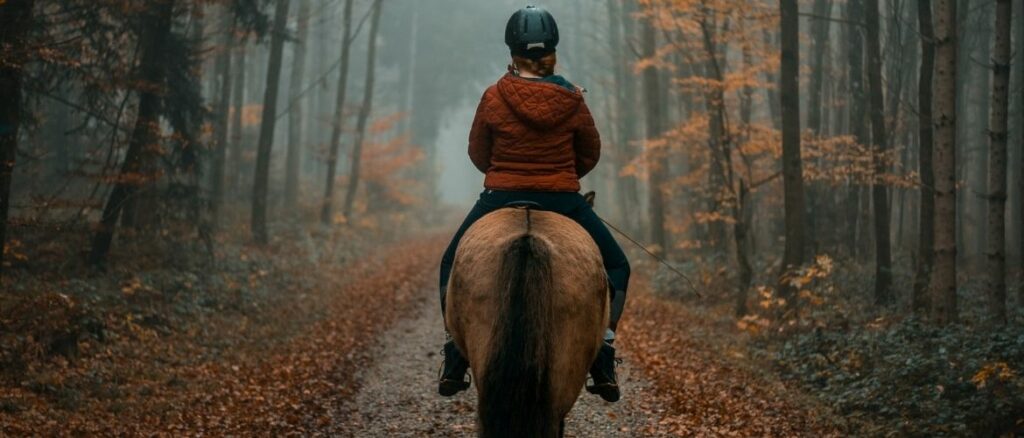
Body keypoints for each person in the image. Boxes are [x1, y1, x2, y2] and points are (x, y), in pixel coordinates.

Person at [437, 5, 630, 403]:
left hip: (500, 197)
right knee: (617, 265)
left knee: (450, 262)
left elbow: (478, 152)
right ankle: (603, 353)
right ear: (552, 51)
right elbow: (590, 154)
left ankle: (455, 356)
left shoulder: (493, 97)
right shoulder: (573, 99)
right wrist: (561, 175)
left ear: (512, 51)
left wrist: (504, 172)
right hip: (562, 199)